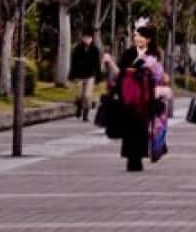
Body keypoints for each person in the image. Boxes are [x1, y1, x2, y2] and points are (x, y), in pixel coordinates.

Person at [106, 21, 166, 172]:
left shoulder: (153, 55)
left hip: (145, 98)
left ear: (149, 39)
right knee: (130, 128)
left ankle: (138, 157)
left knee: (141, 128)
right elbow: (120, 73)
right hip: (128, 98)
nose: (137, 39)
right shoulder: (129, 53)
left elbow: (158, 77)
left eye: (141, 36)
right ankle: (131, 158)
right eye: (136, 36)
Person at [68, 30, 101, 122]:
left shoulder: (95, 50)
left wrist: (98, 77)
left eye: (89, 38)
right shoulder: (77, 49)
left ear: (92, 39)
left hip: (90, 75)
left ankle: (85, 114)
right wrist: (71, 75)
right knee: (78, 95)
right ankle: (79, 106)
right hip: (79, 75)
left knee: (87, 96)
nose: (87, 40)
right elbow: (73, 63)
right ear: (82, 38)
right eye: (86, 38)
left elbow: (97, 65)